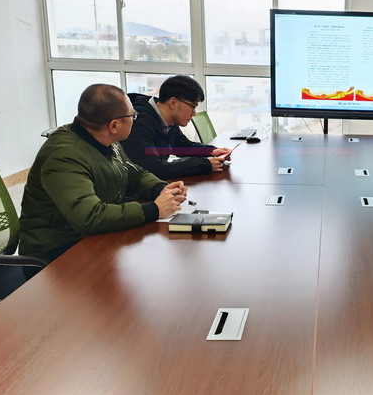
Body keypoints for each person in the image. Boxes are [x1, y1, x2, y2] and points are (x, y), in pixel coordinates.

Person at [19, 84, 186, 273]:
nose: (135, 119)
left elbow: (135, 173)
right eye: (133, 116)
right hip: (55, 254)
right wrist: (154, 209)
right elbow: (89, 217)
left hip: (89, 238)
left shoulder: (105, 139)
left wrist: (161, 189)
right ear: (114, 125)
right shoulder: (64, 156)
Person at [121, 75, 232, 178]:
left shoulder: (168, 119)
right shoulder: (138, 124)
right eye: (192, 106)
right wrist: (204, 165)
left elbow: (182, 147)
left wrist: (211, 152)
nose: (194, 113)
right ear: (173, 103)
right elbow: (153, 168)